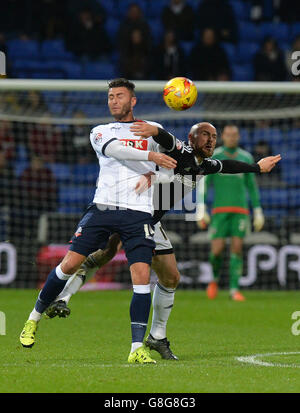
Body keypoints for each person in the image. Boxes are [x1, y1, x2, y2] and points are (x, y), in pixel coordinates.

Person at [44, 122, 280, 361]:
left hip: (151, 222)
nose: (211, 140)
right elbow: (169, 141)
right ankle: (63, 296)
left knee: (169, 276)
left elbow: (227, 165)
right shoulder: (182, 154)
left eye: (214, 137)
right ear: (191, 138)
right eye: (205, 135)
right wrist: (155, 132)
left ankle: (156, 337)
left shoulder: (203, 165)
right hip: (134, 213)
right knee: (107, 252)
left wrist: (257, 167)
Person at [19, 78, 177, 365]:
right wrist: (151, 155)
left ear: (133, 101)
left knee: (141, 279)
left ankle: (135, 349)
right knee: (68, 265)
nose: (114, 101)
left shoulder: (153, 129)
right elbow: (116, 150)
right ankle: (33, 318)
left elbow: (177, 162)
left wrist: (155, 170)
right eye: (110, 97)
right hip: (102, 208)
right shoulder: (100, 131)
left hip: (138, 212)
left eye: (119, 96)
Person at [197, 124, 266, 301]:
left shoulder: (246, 157)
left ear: (239, 137)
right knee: (217, 250)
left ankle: (234, 289)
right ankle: (214, 280)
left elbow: (252, 187)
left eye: (234, 134)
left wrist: (257, 211)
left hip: (240, 210)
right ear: (223, 137)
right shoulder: (215, 156)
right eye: (228, 134)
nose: (232, 137)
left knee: (237, 249)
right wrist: (202, 208)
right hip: (219, 211)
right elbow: (205, 183)